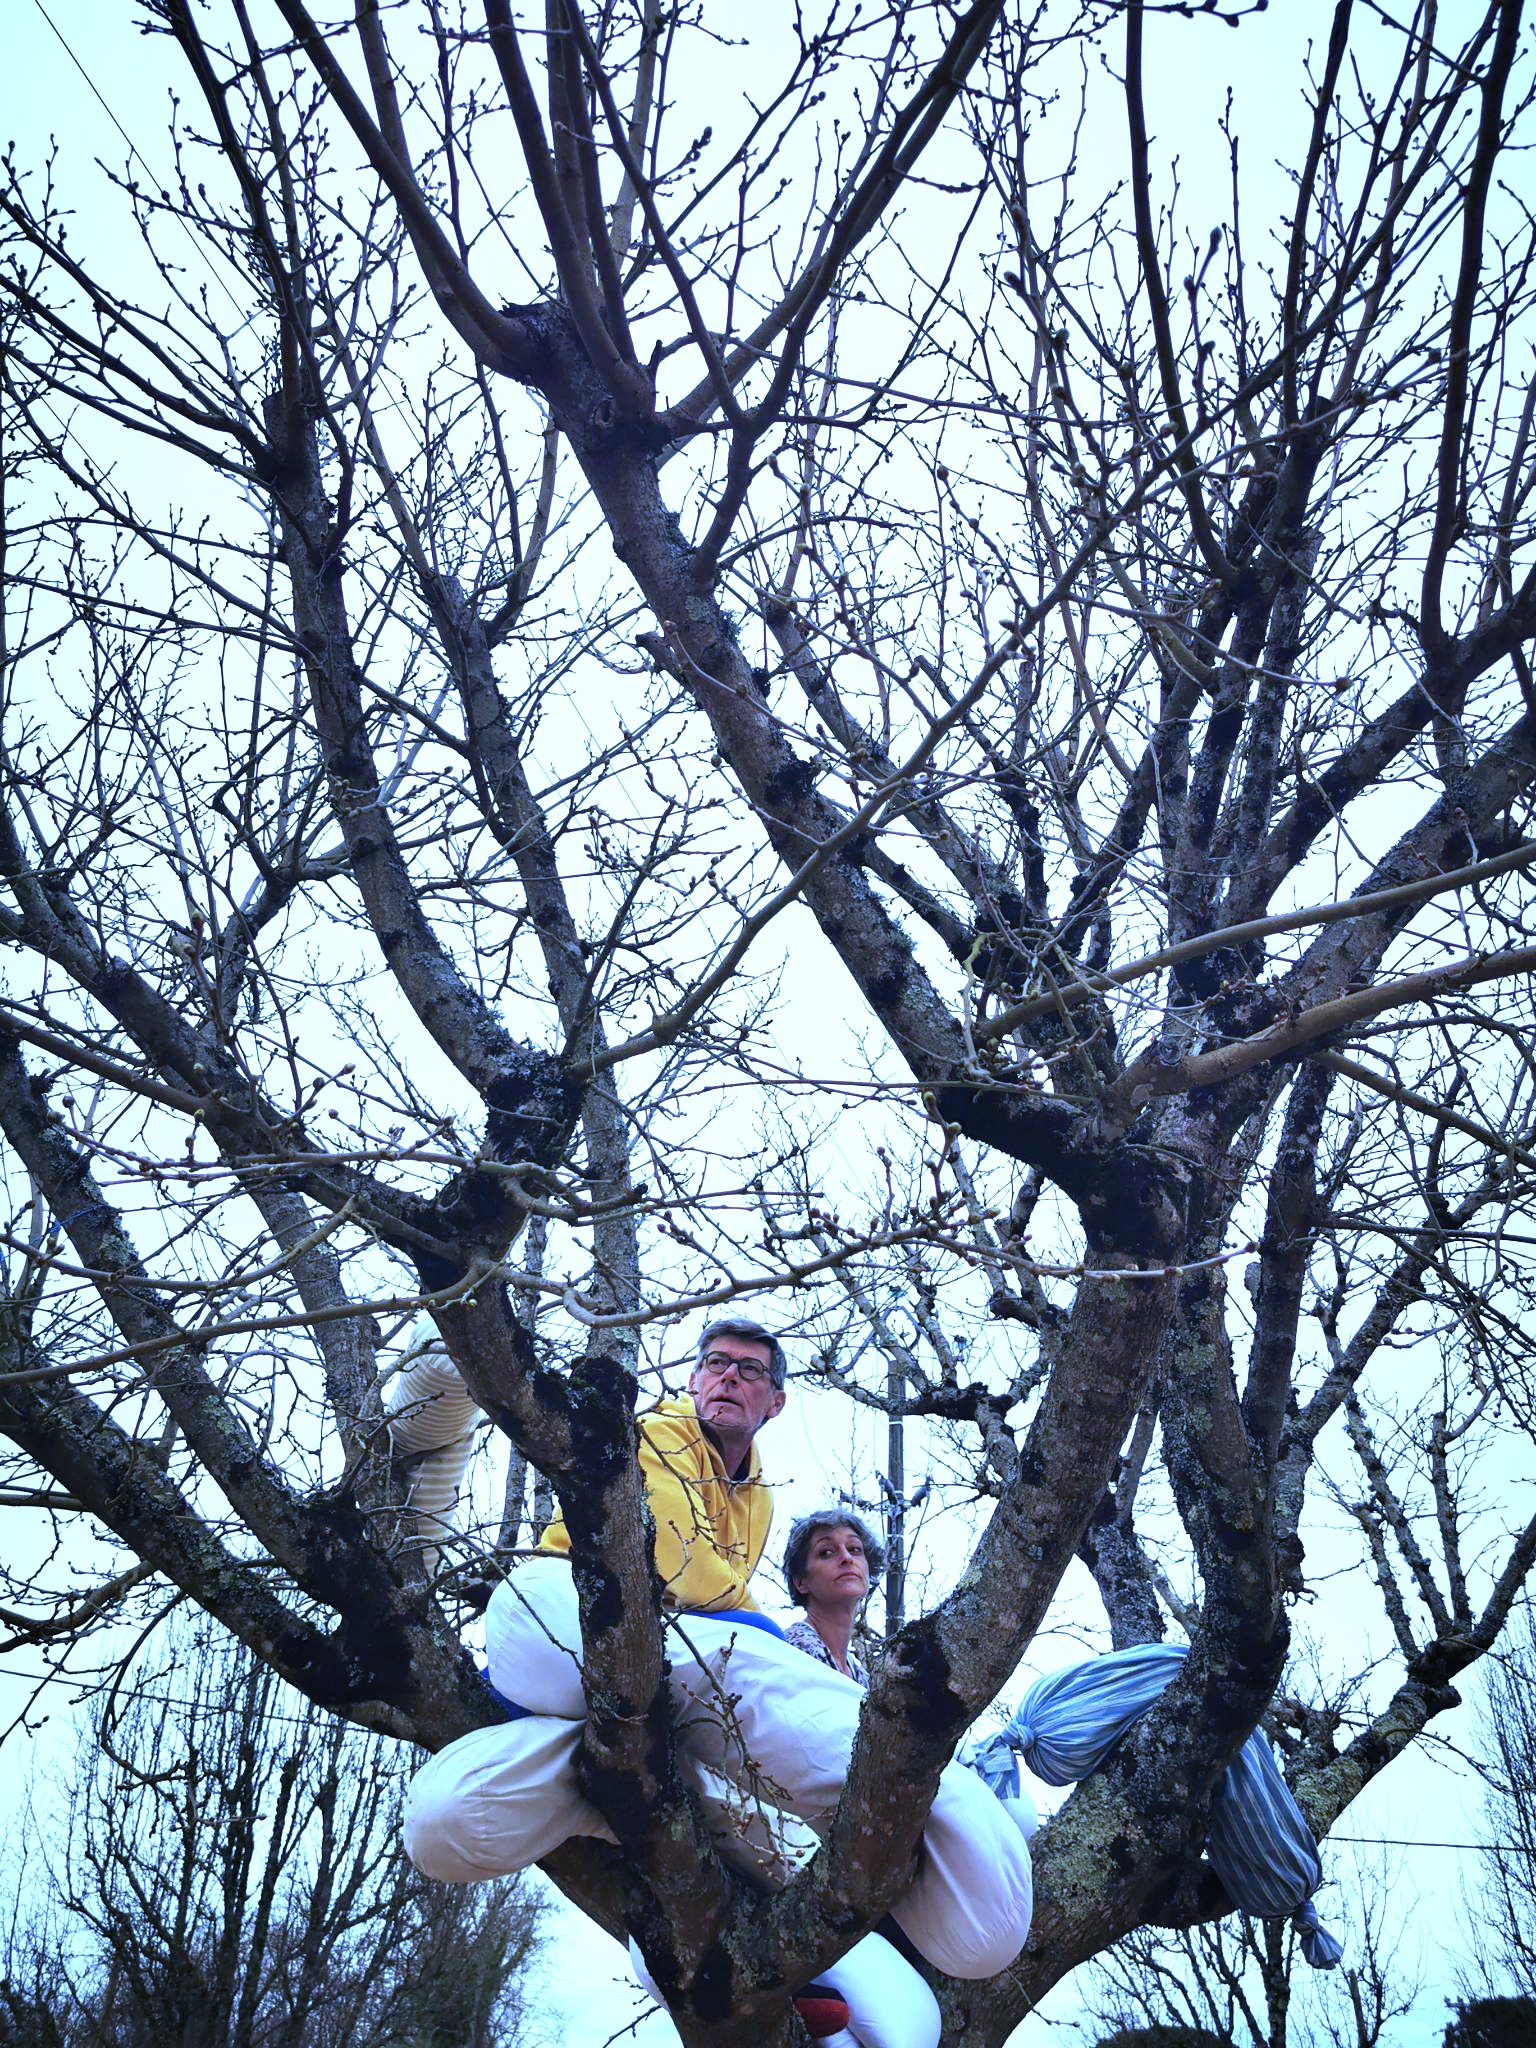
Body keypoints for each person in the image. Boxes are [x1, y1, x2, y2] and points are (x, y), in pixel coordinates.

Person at [401, 1317, 1034, 1986]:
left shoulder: (756, 1497)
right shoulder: (661, 1434)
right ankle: (923, 1787)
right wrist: (756, 1630)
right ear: (693, 1381)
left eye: (750, 1369)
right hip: (562, 1627)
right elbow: (675, 1562)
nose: (728, 1375)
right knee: (750, 1673)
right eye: (715, 1363)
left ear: (777, 1401)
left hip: (634, 1703)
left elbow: (705, 1606)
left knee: (445, 1820)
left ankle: (650, 1809)